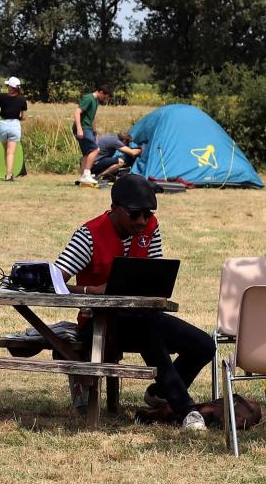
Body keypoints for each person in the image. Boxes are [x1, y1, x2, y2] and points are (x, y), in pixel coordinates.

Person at [54, 174, 214, 429]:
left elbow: (156, 271)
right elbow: (53, 281)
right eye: (135, 214)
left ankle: (161, 393)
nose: (142, 221)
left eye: (148, 214)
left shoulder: (151, 228)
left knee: (204, 345)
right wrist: (89, 289)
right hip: (98, 323)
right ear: (115, 208)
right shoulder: (89, 234)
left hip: (143, 316)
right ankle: (186, 411)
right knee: (147, 330)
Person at [73, 83, 109, 185]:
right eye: (105, 97)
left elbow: (91, 118)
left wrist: (94, 133)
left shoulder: (96, 101)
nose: (105, 99)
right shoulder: (89, 98)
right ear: (101, 92)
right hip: (83, 128)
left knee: (87, 153)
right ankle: (87, 175)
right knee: (95, 149)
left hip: (88, 128)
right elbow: (77, 112)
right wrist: (79, 129)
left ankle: (83, 178)